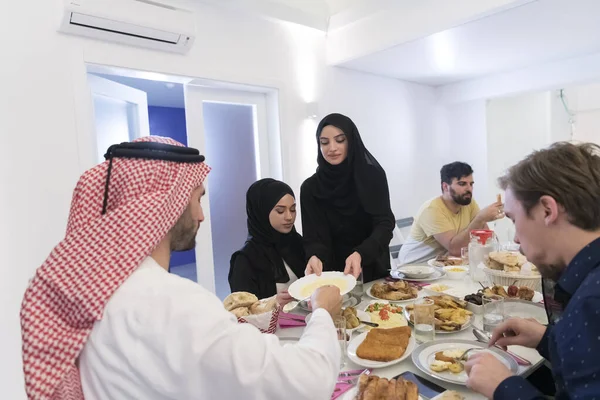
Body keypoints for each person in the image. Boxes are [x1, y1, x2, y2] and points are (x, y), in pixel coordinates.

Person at [20, 137, 343, 400]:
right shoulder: (173, 303)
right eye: (197, 198)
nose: (201, 215)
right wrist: (324, 313)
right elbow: (305, 381)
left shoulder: (92, 296)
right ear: (166, 203)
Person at [465, 142, 600, 400]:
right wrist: (550, 340)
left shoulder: (591, 303)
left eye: (515, 220)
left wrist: (504, 386)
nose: (515, 239)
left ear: (547, 210)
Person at [301, 113, 395, 283]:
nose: (332, 148)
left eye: (340, 140)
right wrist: (314, 256)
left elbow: (385, 223)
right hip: (331, 276)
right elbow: (313, 236)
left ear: (351, 141)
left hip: (371, 268)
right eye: (324, 142)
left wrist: (361, 253)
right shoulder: (310, 188)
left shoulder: (372, 176)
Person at [397, 162, 504, 265]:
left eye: (471, 184)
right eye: (462, 184)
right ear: (445, 187)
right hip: (414, 268)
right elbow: (455, 249)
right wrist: (480, 218)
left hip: (442, 265)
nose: (469, 189)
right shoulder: (432, 210)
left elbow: (484, 239)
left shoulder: (468, 203)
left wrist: (485, 221)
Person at [229, 178, 305, 302]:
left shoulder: (299, 244)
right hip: (270, 321)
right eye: (280, 211)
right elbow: (243, 312)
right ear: (262, 212)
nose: (289, 217)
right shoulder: (245, 260)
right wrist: (272, 303)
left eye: (292, 209)